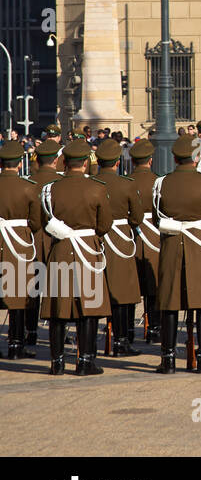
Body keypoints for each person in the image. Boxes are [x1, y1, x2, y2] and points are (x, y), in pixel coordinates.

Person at [152, 136, 201, 374]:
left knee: (170, 302)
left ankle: (168, 358)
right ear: (195, 158)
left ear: (175, 158)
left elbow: (157, 219)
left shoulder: (162, 183)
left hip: (173, 245)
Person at [37, 139, 111, 376]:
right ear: (86, 163)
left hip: (60, 249)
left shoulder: (51, 189)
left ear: (65, 163)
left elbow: (42, 222)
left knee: (59, 309)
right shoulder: (97, 188)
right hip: (87, 249)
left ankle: (57, 362)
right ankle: (85, 361)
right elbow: (105, 224)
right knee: (88, 308)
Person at [93, 139, 142, 357]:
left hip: (93, 241)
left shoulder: (91, 183)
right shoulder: (127, 184)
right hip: (121, 240)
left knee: (94, 292)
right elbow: (137, 217)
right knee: (122, 293)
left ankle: (90, 342)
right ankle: (121, 341)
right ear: (116, 162)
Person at [0, 139, 40, 358]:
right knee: (17, 295)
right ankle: (16, 345)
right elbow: (35, 221)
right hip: (18, 243)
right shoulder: (28, 187)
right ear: (18, 163)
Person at [125, 140, 161, 343]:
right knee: (154, 284)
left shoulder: (126, 182)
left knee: (130, 287)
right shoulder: (158, 182)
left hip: (130, 237)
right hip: (153, 235)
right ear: (150, 160)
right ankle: (154, 328)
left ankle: (128, 329)